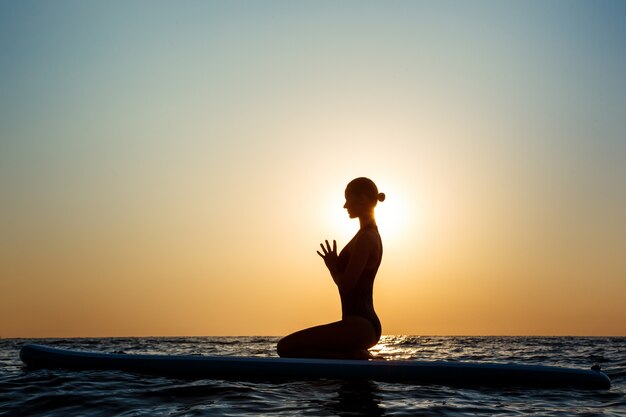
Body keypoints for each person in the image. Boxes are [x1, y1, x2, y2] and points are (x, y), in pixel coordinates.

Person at [277, 177, 385, 359]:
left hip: (360, 325)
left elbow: (347, 285)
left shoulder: (366, 239)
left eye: (349, 199)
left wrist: (332, 267)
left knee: (285, 348)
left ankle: (355, 357)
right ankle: (353, 354)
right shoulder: (367, 235)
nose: (345, 205)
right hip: (360, 325)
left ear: (363, 198)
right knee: (288, 349)